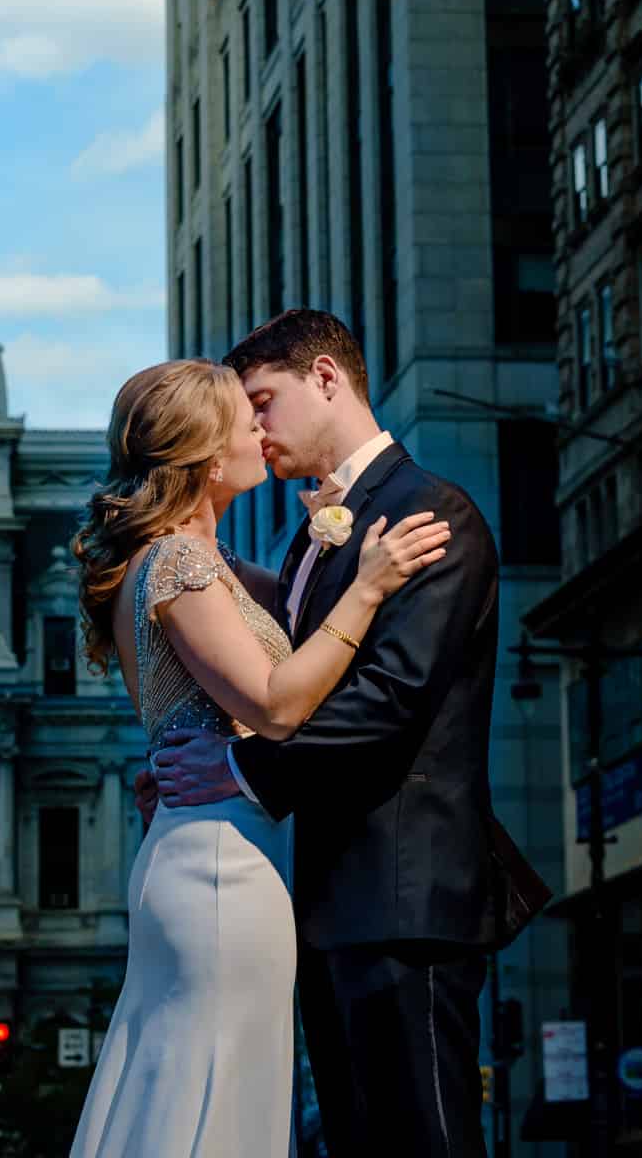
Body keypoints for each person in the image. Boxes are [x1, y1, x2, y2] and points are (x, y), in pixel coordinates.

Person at [67, 355, 449, 1157]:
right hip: (218, 868)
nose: (262, 432)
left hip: (215, 849)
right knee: (211, 1095)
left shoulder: (189, 561)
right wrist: (369, 586)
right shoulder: (178, 560)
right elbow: (274, 704)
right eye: (247, 421)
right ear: (208, 456)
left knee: (201, 1087)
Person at [148, 309, 505, 1158]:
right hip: (327, 899)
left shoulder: (427, 512)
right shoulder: (311, 534)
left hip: (399, 896)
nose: (253, 430)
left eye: (262, 401)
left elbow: (390, 699)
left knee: (427, 1142)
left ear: (323, 377)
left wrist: (238, 769)